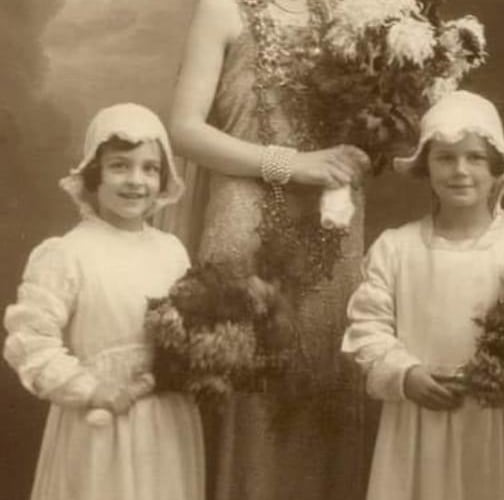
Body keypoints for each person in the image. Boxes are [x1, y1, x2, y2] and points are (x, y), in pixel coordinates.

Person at [159, 0, 372, 499]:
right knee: (248, 383)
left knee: (330, 370)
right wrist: (289, 164)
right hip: (246, 215)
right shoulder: (222, 9)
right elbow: (185, 130)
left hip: (334, 218)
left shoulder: (355, 14)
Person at [342, 90, 504, 500]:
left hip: (496, 427)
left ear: (497, 168)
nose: (460, 171)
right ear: (425, 167)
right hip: (418, 424)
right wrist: (405, 374)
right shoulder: (396, 248)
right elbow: (368, 326)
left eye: (475, 158)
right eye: (445, 158)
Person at [3, 103, 205, 500]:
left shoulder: (172, 251)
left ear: (164, 179)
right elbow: (31, 343)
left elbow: (189, 329)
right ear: (94, 174)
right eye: (119, 166)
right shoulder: (67, 253)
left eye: (150, 168)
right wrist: (90, 390)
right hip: (101, 424)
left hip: (166, 422)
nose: (136, 180)